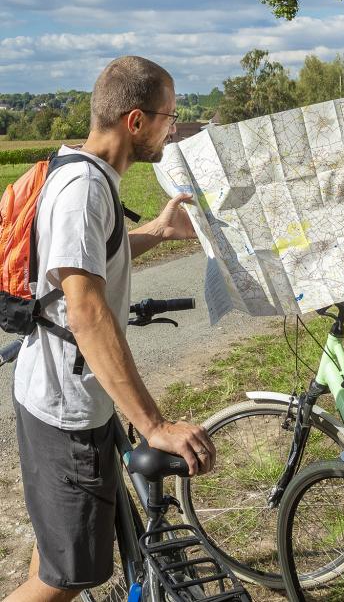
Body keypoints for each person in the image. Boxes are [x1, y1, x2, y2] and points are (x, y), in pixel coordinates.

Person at [7, 56, 215, 602]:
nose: (174, 128)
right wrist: (155, 424)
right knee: (70, 576)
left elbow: (83, 264)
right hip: (65, 406)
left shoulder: (82, 170)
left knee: (58, 556)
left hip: (71, 398)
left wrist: (155, 231)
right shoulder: (84, 191)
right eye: (170, 116)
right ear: (136, 121)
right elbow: (85, 312)